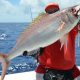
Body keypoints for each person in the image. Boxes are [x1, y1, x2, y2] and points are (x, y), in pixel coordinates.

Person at [35, 3, 80, 80]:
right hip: (48, 70)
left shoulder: (70, 26)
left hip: (69, 70)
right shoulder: (42, 30)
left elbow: (76, 24)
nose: (53, 14)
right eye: (49, 12)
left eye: (55, 11)